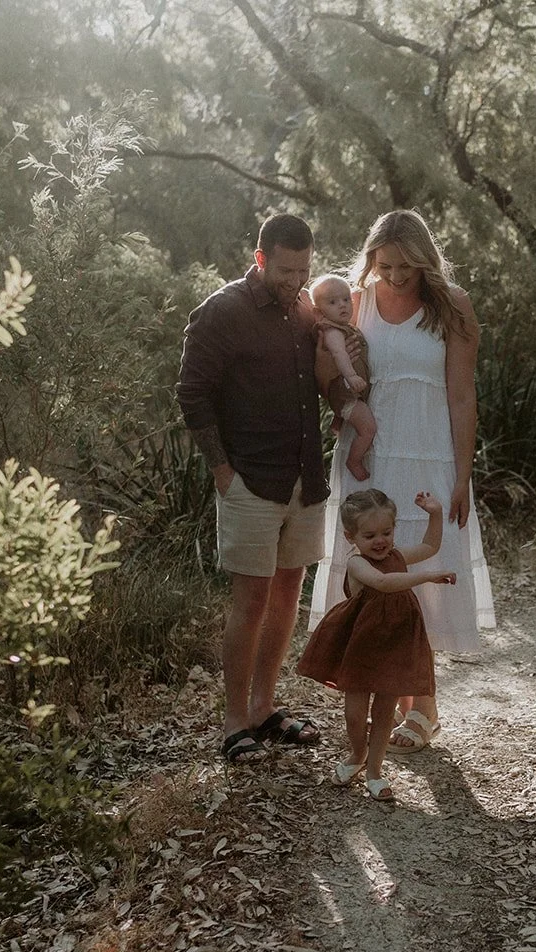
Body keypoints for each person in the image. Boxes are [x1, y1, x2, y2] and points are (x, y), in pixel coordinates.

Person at [309, 210, 496, 755]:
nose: (392, 277)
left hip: (430, 454)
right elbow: (326, 372)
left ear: (425, 262)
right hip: (371, 457)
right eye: (383, 265)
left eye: (405, 267)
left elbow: (462, 396)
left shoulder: (453, 306)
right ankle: (413, 708)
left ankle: (423, 710)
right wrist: (343, 405)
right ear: (370, 261)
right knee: (375, 576)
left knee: (418, 574)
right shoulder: (354, 301)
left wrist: (462, 476)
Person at [178, 214, 327, 763]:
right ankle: (235, 721)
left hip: (304, 479)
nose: (296, 279)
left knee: (289, 592)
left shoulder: (305, 309)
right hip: (250, 480)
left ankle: (265, 707)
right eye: (287, 269)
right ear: (260, 258)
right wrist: (222, 471)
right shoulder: (224, 311)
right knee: (251, 600)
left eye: (305, 269)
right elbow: (191, 393)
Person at [297, 489, 456, 801]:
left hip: (396, 642)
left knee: (385, 710)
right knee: (356, 712)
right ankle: (357, 754)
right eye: (369, 535)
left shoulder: (396, 556)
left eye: (387, 532)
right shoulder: (357, 564)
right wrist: (425, 577)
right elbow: (384, 583)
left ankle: (375, 771)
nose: (380, 541)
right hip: (362, 645)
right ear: (350, 536)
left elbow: (430, 545)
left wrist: (435, 513)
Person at [309, 274, 377, 482]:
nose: (342, 305)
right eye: (332, 302)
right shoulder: (332, 331)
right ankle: (354, 461)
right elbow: (339, 354)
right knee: (368, 429)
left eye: (346, 299)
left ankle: (340, 422)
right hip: (346, 393)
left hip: (350, 394)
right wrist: (351, 376)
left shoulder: (346, 327)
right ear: (319, 312)